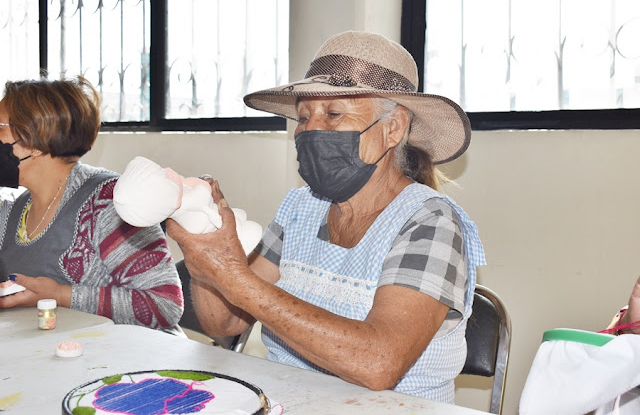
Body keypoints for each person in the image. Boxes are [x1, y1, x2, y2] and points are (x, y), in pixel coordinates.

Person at [167, 31, 485, 402]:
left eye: (334, 113)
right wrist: (204, 239)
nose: (311, 130)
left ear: (393, 128)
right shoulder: (300, 207)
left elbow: (379, 363)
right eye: (303, 118)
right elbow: (225, 322)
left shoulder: (432, 223)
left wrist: (234, 277)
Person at [0, 76, 184, 334]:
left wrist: (62, 295)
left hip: (134, 364)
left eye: (0, 127)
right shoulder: (14, 211)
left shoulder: (109, 201)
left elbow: (165, 304)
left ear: (36, 139)